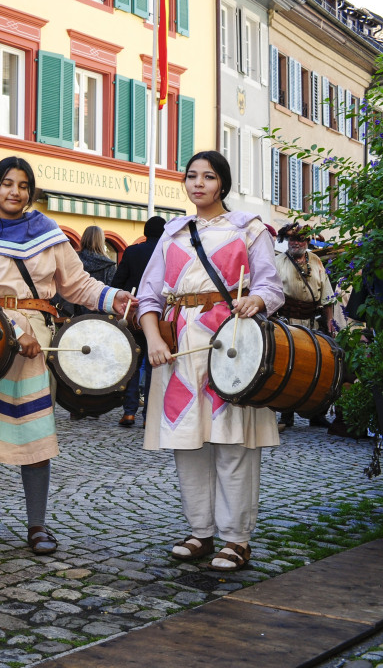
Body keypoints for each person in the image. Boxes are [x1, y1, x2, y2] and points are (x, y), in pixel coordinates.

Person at [0, 157, 133, 555]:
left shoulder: (48, 233)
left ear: (30, 191)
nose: (15, 191)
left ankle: (37, 525)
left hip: (35, 346)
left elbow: (77, 284)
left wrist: (115, 298)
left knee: (36, 435)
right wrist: (14, 329)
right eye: (7, 183)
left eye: (23, 185)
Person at [137, 150, 283, 571]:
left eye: (208, 177)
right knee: (188, 442)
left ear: (223, 183)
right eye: (191, 176)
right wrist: (152, 340)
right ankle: (200, 532)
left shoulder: (249, 230)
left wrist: (255, 299)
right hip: (180, 349)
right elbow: (149, 295)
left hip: (232, 343)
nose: (198, 183)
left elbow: (270, 286)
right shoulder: (172, 234)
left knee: (232, 440)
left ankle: (236, 539)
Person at [273, 222, 336, 430]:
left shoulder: (316, 261)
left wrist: (329, 321)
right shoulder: (278, 262)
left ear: (307, 241)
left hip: (312, 323)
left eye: (300, 239)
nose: (295, 242)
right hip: (287, 323)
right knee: (288, 368)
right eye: (291, 239)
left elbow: (326, 295)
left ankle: (316, 414)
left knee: (318, 369)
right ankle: (286, 414)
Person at [111, 216, 166, 427]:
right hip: (158, 317)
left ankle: (129, 413)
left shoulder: (132, 252)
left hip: (132, 315)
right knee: (154, 364)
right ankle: (149, 417)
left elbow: (117, 283)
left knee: (132, 364)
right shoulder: (165, 252)